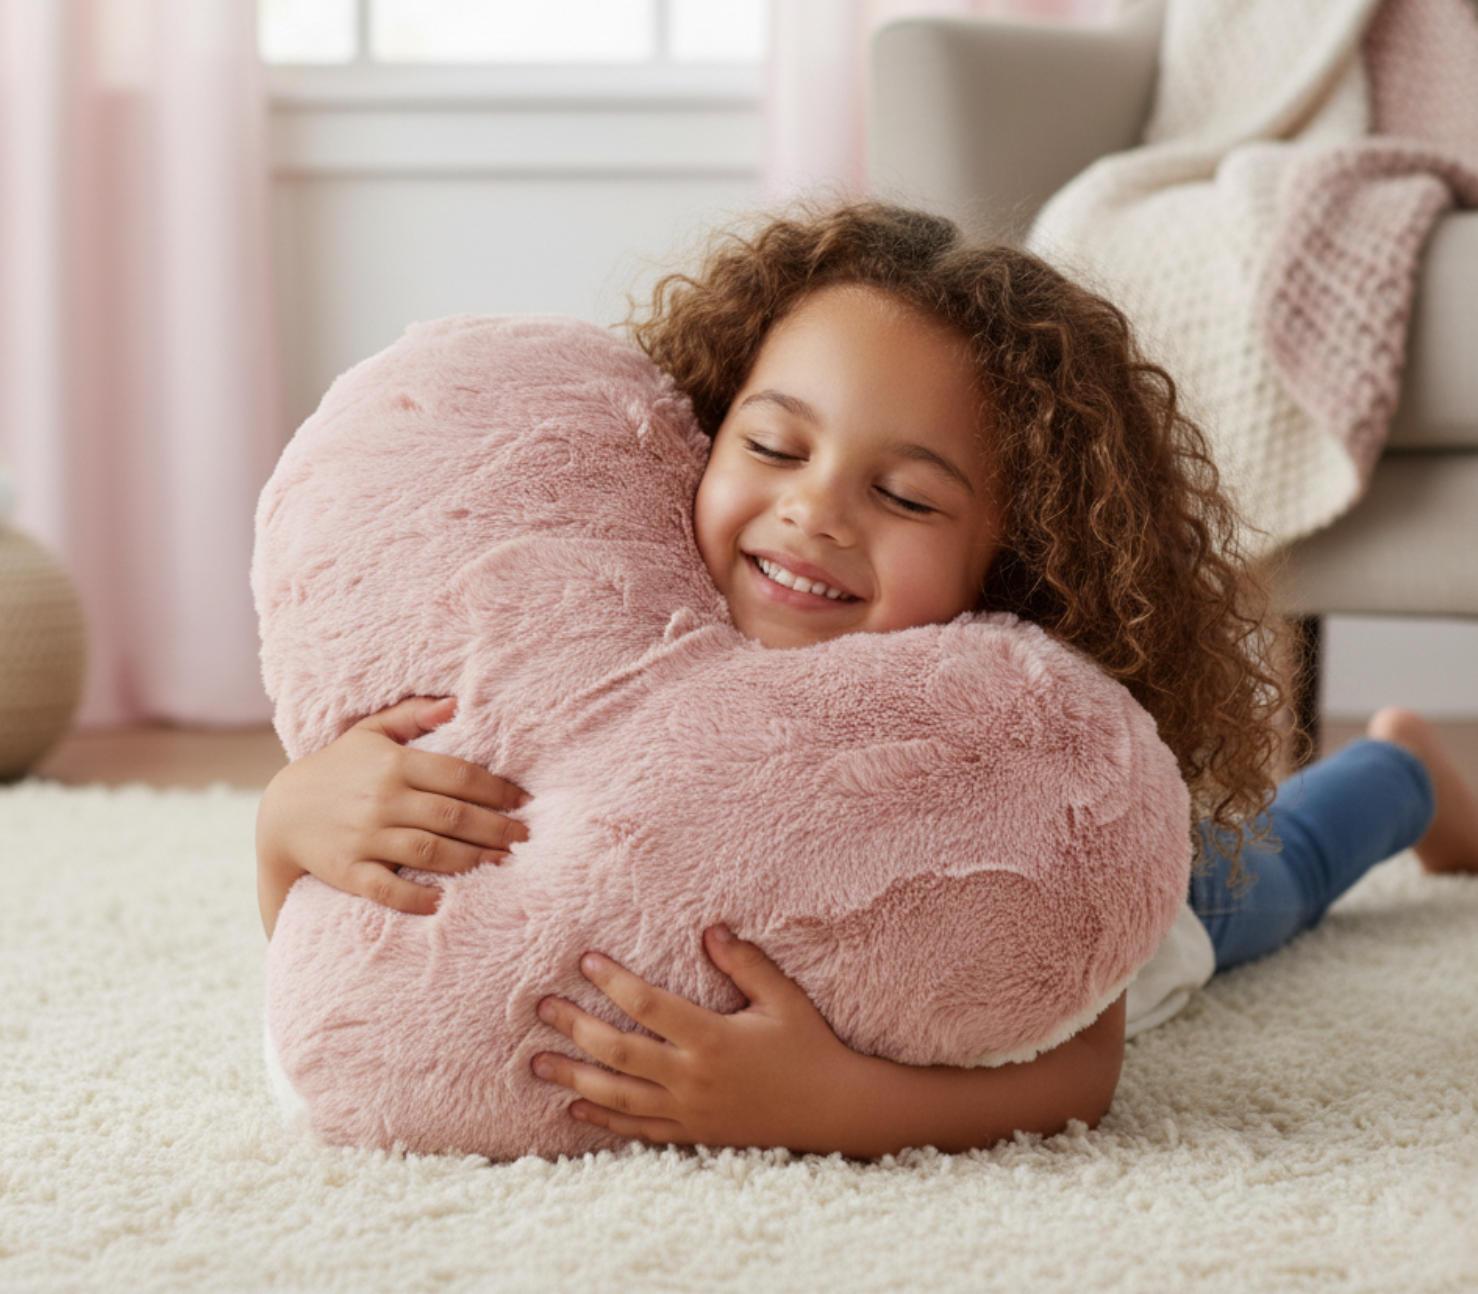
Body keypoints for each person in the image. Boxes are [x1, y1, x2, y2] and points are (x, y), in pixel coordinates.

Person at [255, 202, 1478, 1158]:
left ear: (1015, 557)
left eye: (903, 496)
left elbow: (1084, 1074)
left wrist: (828, 1100)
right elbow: (357, 937)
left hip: (1104, 910)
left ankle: (1403, 773)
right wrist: (287, 822)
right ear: (706, 426)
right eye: (775, 445)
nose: (812, 512)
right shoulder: (578, 678)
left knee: (1274, 877)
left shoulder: (1026, 777)